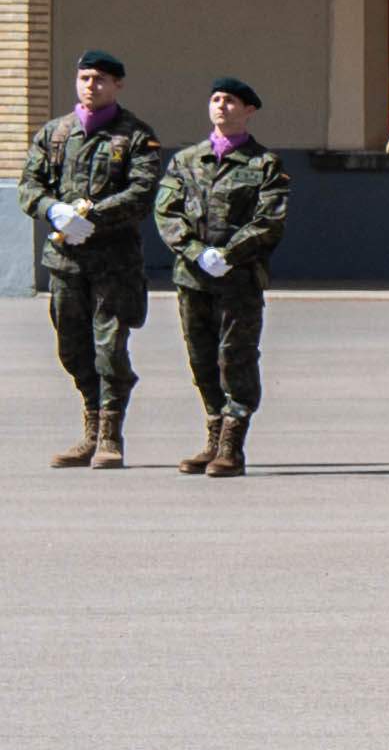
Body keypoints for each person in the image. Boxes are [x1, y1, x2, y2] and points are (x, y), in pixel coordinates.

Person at [27, 52, 156, 472]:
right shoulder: (56, 133)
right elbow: (30, 184)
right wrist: (52, 210)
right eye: (84, 77)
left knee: (109, 348)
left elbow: (141, 192)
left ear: (117, 85)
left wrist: (90, 215)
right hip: (66, 262)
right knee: (72, 348)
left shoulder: (135, 136)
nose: (90, 85)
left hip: (113, 265)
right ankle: (90, 423)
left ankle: (109, 435)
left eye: (100, 79)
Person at [152, 81, 284, 476]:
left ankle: (232, 444)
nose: (221, 106)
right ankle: (213, 432)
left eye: (230, 101)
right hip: (193, 279)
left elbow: (270, 220)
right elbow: (166, 212)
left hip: (239, 280)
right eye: (215, 100)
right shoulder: (187, 160)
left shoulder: (264, 164)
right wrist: (196, 252)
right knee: (201, 358)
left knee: (236, 358)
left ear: (248, 111)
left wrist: (228, 255)